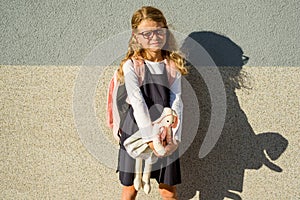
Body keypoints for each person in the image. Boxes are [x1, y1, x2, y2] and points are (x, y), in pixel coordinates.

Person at [115, 6, 188, 200]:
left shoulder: (172, 65)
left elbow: (176, 100)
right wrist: (149, 139)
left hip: (166, 131)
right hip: (137, 130)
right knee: (130, 188)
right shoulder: (132, 65)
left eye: (159, 31)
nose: (154, 37)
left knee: (168, 191)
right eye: (146, 33)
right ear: (136, 36)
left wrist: (174, 136)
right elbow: (137, 102)